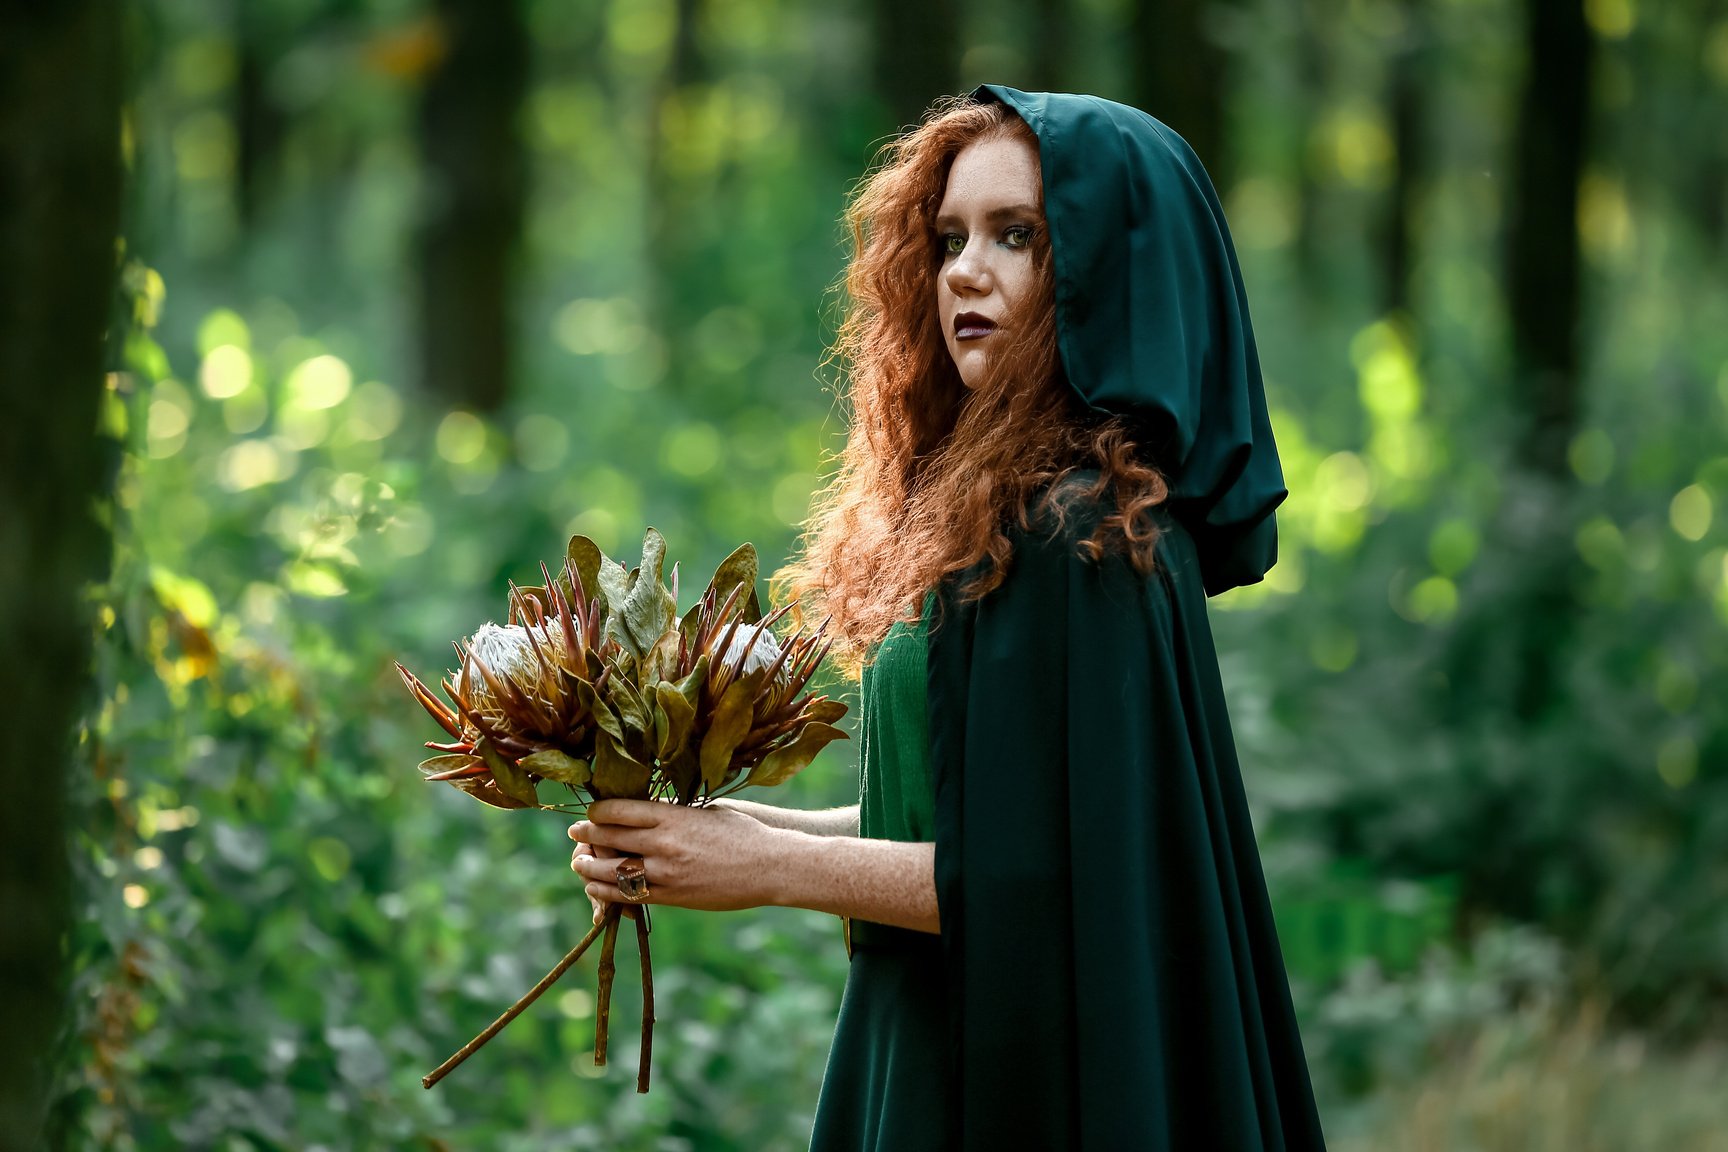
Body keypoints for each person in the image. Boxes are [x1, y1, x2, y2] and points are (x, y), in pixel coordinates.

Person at [569, 85, 1328, 1150]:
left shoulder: (1085, 535)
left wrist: (771, 869)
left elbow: (1046, 884)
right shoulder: (1020, 521)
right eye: (950, 238)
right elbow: (975, 824)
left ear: (1107, 275)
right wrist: (703, 839)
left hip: (1014, 1078)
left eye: (1018, 237)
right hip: (932, 1033)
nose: (964, 271)